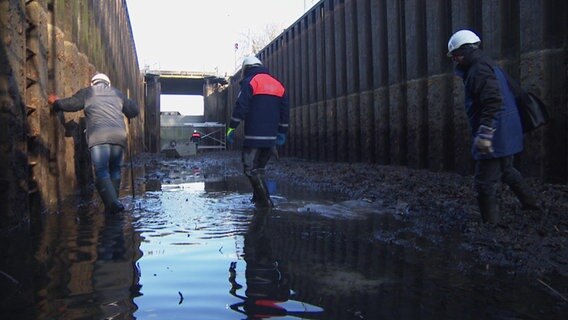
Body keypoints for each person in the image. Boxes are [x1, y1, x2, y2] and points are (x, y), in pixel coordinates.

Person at [447, 29, 540, 224]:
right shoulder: (488, 65)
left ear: (464, 51)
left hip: (495, 133)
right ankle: (531, 203)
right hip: (506, 130)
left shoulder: (478, 70)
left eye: (455, 56)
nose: (455, 60)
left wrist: (485, 133)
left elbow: (492, 101)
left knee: (484, 182)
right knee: (507, 170)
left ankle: (491, 225)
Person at [48, 72, 139, 214]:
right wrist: (129, 104)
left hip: (99, 136)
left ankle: (113, 204)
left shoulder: (88, 93)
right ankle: (113, 204)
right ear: (108, 84)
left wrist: (56, 103)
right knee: (114, 170)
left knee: (101, 171)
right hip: (118, 137)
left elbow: (71, 104)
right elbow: (134, 110)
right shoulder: (118, 94)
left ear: (93, 83)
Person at [226, 56, 290, 208]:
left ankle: (266, 202)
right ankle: (257, 201)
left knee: (250, 169)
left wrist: (232, 127)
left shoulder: (251, 82)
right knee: (260, 169)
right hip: (271, 138)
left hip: (254, 136)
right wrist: (282, 132)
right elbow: (285, 112)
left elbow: (241, 107)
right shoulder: (278, 84)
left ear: (246, 69)